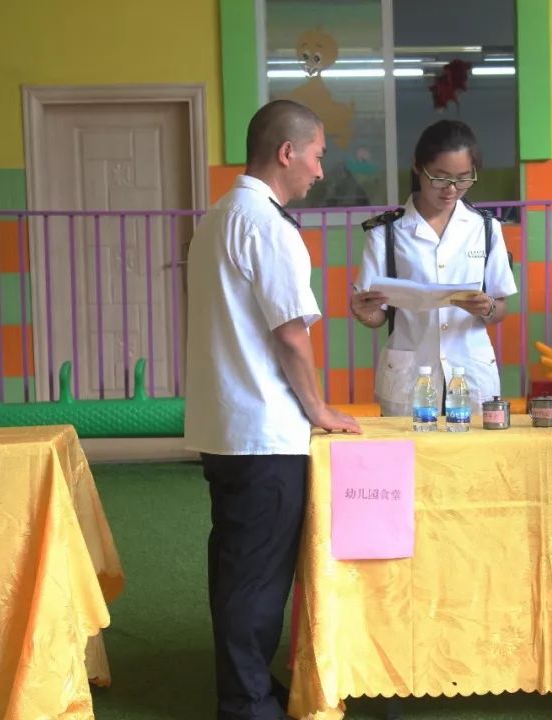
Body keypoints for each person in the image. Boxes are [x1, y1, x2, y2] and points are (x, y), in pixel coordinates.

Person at [184, 99, 361, 719]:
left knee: (236, 567)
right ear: (287, 152)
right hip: (263, 429)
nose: (319, 170)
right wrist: (318, 408)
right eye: (316, 156)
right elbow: (290, 333)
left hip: (226, 424)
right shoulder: (266, 224)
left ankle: (247, 688)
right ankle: (245, 703)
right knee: (256, 579)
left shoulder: (218, 216)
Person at [349, 119, 516, 416]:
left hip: (471, 369)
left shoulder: (486, 228)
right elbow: (377, 316)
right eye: (439, 178)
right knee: (410, 458)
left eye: (463, 179)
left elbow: (501, 308)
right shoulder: (386, 233)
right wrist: (363, 312)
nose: (451, 189)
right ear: (417, 167)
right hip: (409, 373)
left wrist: (487, 307)